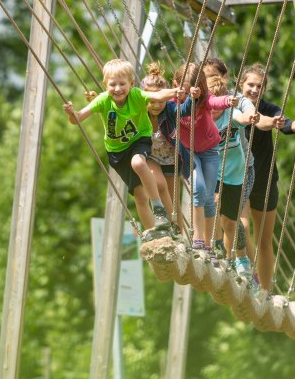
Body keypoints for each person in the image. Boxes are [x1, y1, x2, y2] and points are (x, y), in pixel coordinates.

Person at [63, 59, 181, 239]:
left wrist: (175, 92)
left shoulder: (136, 95)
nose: (117, 89)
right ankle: (158, 235)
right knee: (140, 197)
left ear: (131, 84)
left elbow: (158, 96)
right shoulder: (102, 100)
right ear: (105, 85)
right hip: (117, 153)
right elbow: (78, 118)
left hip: (139, 141)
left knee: (138, 163)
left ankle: (158, 208)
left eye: (122, 84)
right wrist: (72, 113)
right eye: (112, 84)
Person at [240, 63, 295, 291]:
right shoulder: (234, 107)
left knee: (264, 238)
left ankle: (266, 290)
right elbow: (259, 121)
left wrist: (294, 125)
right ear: (241, 84)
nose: (254, 90)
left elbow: (283, 122)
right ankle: (249, 276)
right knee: (241, 225)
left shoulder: (269, 108)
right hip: (236, 177)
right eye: (250, 84)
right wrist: (272, 123)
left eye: (259, 86)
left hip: (264, 177)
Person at [173, 62, 238, 265]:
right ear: (177, 84)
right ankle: (198, 240)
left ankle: (209, 245)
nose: (193, 91)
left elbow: (216, 102)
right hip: (189, 151)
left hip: (210, 150)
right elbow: (178, 111)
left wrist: (228, 100)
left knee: (210, 198)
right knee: (198, 189)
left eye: (196, 86)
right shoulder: (173, 102)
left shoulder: (204, 99)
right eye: (186, 87)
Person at [206, 72, 259, 278]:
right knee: (213, 201)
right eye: (211, 104)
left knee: (231, 221)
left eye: (219, 105)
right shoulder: (201, 118)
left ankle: (242, 258)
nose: (214, 109)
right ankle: (216, 247)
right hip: (215, 173)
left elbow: (242, 117)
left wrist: (250, 117)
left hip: (236, 174)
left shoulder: (230, 115)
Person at [139, 62, 193, 234]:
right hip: (151, 156)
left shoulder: (170, 108)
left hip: (171, 158)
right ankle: (163, 226)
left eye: (161, 100)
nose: (156, 105)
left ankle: (177, 231)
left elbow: (184, 110)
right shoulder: (139, 111)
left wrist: (190, 97)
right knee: (159, 185)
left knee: (172, 198)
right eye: (151, 101)